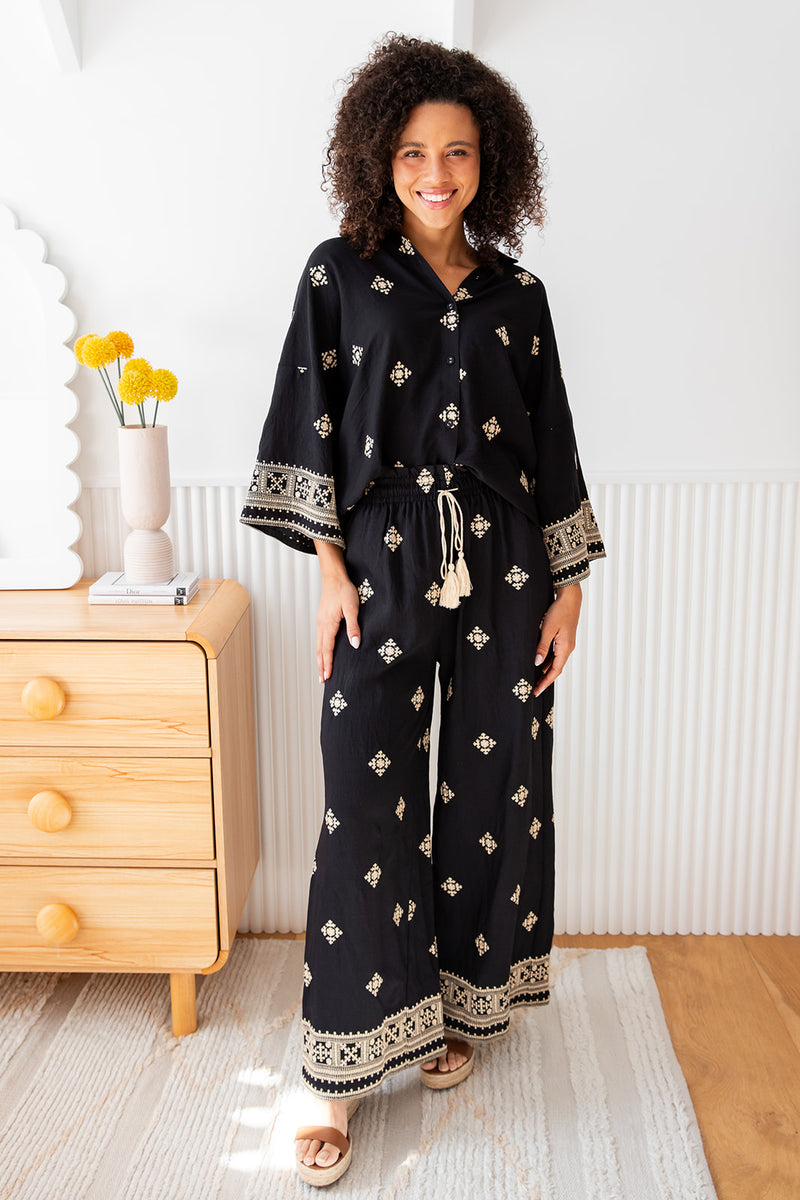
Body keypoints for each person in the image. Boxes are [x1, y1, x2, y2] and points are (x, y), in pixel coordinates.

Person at [241, 33, 605, 1187]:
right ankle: (336, 1075)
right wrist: (329, 572)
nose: (434, 173)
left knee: (492, 791)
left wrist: (568, 586)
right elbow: (307, 419)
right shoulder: (337, 274)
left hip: (504, 566)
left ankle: (447, 1009)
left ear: (489, 164)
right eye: (411, 151)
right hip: (382, 560)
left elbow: (549, 442)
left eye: (455, 152)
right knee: (362, 802)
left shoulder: (517, 297)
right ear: (377, 157)